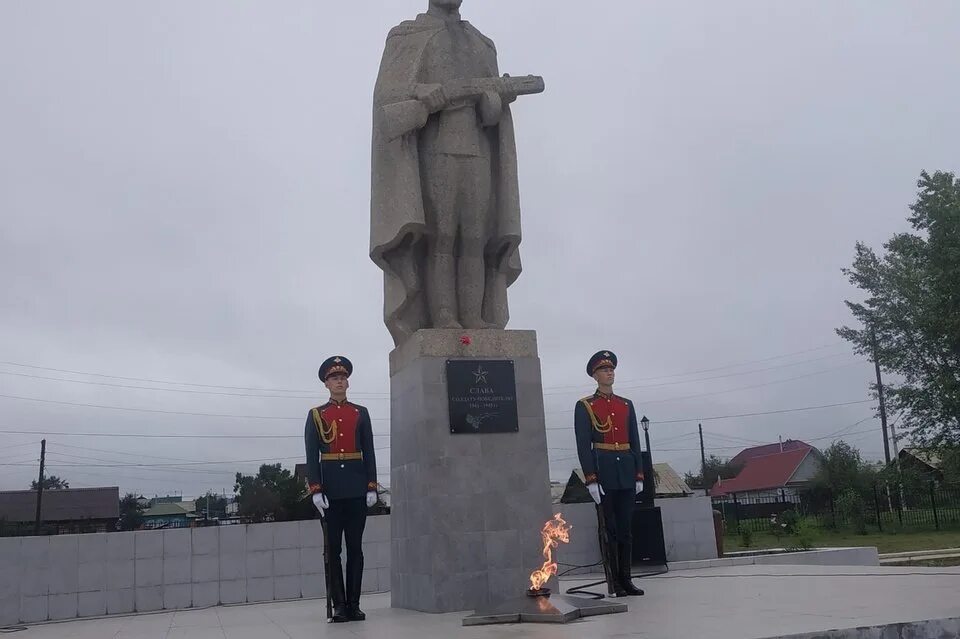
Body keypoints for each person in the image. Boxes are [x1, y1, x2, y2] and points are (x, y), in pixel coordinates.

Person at [370, 0, 542, 345]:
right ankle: (444, 315)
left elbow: (492, 115)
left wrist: (493, 98)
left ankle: (474, 316)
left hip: (478, 152)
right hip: (435, 151)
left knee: (476, 237)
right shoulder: (407, 34)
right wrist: (429, 94)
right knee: (443, 236)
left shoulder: (481, 43)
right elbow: (387, 97)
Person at [304, 356, 379, 622]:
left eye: (343, 377)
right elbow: (312, 455)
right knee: (333, 550)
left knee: (355, 550)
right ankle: (339, 605)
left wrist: (372, 485)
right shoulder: (317, 415)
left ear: (347, 382)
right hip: (331, 493)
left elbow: (368, 450)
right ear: (326, 384)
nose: (339, 381)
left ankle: (354, 604)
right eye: (334, 378)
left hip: (357, 490)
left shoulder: (361, 412)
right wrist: (315, 490)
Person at [574, 350, 645, 597]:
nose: (610, 372)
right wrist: (591, 479)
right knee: (609, 530)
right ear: (595, 376)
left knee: (626, 530)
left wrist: (639, 474)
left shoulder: (626, 405)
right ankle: (613, 582)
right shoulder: (585, 406)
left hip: (625, 471)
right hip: (603, 474)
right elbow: (583, 445)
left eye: (611, 369)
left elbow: (635, 441)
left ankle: (626, 579)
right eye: (604, 370)